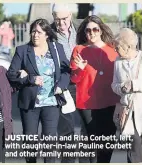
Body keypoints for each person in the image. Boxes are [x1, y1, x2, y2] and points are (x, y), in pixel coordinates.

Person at [7, 18, 70, 163]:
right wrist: (30, 79)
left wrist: (61, 85)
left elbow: (66, 71)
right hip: (30, 104)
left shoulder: (56, 48)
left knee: (50, 141)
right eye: (33, 31)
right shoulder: (22, 51)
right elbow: (11, 74)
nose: (35, 35)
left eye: (39, 32)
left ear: (47, 34)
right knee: (30, 141)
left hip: (51, 102)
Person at [70, 15, 120, 163]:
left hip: (110, 101)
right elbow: (74, 79)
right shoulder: (79, 49)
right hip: (87, 103)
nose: (92, 33)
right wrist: (80, 70)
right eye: (88, 30)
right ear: (84, 33)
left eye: (95, 29)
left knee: (108, 139)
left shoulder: (112, 50)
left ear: (101, 30)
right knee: (92, 141)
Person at [51, 4, 83, 163]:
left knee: (88, 127)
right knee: (65, 130)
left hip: (85, 83)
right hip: (63, 85)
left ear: (71, 15)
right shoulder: (48, 33)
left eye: (64, 18)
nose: (61, 23)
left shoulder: (83, 27)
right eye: (57, 19)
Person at [111, 28, 142, 163]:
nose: (115, 50)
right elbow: (114, 85)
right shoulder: (118, 62)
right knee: (134, 152)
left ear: (128, 46)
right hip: (128, 113)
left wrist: (134, 85)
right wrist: (123, 88)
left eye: (117, 47)